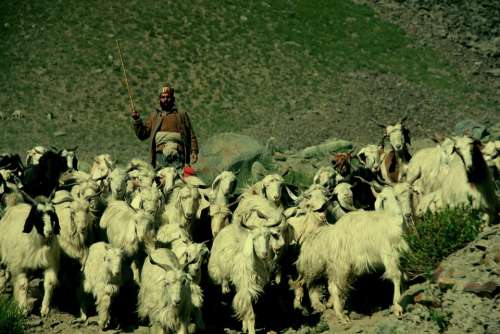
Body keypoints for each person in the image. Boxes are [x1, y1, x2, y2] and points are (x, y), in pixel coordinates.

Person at [131, 83, 199, 169]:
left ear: (173, 99)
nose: (165, 99)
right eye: (163, 97)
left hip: (178, 155)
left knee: (183, 179)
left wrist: (194, 151)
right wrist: (137, 120)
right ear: (160, 99)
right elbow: (142, 135)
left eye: (168, 97)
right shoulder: (155, 116)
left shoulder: (181, 115)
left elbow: (191, 135)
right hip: (159, 156)